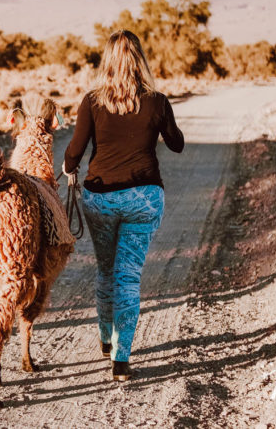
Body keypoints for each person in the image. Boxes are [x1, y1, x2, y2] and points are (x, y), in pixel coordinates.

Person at [62, 30, 184, 381]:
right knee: (127, 275)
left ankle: (105, 338)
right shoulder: (158, 101)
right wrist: (165, 123)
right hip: (144, 199)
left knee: (105, 270)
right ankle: (121, 360)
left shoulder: (92, 100)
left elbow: (74, 152)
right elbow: (176, 145)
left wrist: (69, 170)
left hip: (100, 199)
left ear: (108, 61)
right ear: (140, 60)